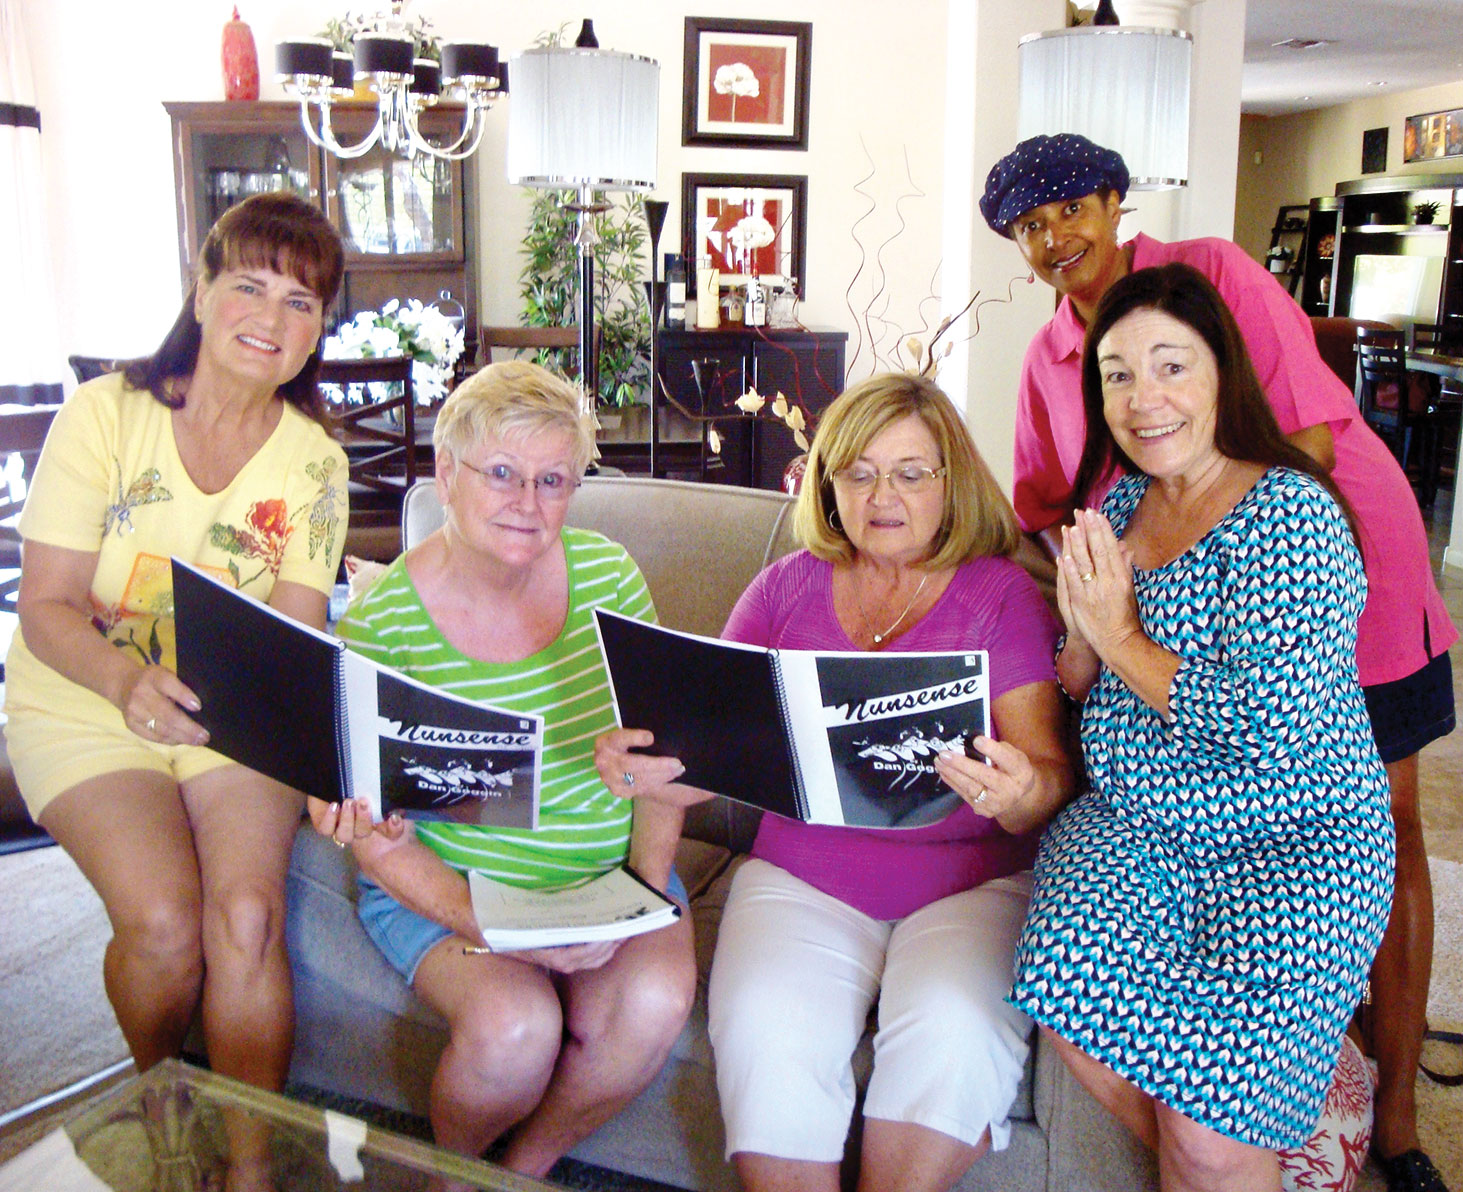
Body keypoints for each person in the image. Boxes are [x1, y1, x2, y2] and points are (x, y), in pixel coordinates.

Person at [981, 133, 1455, 1192]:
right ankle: (1257, 1135)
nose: (1141, 394)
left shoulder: (1274, 481)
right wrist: (1062, 639)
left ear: (1113, 202)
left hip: (1287, 812)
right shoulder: (1105, 481)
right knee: (1083, 1002)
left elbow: (1297, 465)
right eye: (1118, 376)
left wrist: (1121, 633)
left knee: (1403, 819)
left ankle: (1364, 1115)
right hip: (1145, 823)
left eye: (1167, 370)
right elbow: (1044, 521)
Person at [595, 373, 1076, 1192]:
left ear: (949, 481)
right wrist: (650, 765)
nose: (881, 494)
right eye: (856, 472)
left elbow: (1050, 777)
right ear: (827, 484)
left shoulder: (997, 592)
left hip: (972, 883)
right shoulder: (784, 589)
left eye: (910, 472)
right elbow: (703, 753)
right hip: (801, 878)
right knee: (769, 1033)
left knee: (954, 1031)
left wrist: (1018, 789)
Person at [310, 361, 695, 1178]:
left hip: (605, 873)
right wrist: (487, 926)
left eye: (552, 479)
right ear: (446, 475)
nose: (527, 501)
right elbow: (373, 835)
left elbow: (665, 763)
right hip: (459, 886)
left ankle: (519, 1170)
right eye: (501, 473)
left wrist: (640, 888)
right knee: (514, 1031)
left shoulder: (609, 575)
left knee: (653, 1000)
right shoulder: (387, 624)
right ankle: (459, 1173)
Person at [6, 192, 348, 1106]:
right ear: (199, 292)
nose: (271, 320)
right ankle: (160, 1108)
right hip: (85, 698)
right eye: (249, 286)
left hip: (232, 716)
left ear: (318, 330)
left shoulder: (315, 460)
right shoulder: (103, 415)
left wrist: (327, 762)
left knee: (245, 917)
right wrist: (126, 680)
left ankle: (247, 1165)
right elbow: (44, 606)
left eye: (301, 302)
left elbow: (296, 636)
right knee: (164, 927)